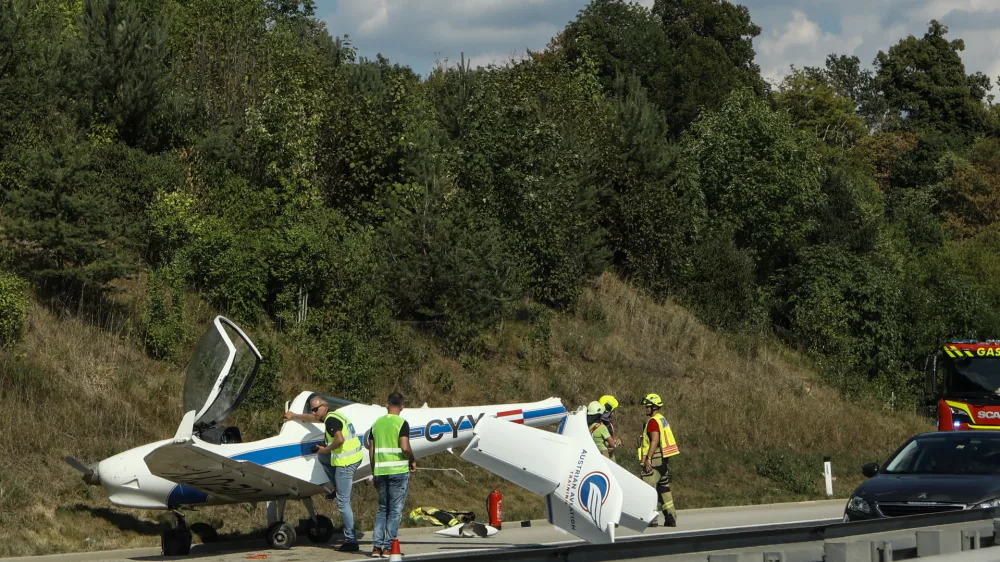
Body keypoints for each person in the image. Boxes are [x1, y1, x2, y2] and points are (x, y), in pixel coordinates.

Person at [283, 396, 363, 551]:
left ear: (324, 407)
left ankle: (351, 541)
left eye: (316, 409)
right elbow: (312, 419)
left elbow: (339, 440)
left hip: (346, 463)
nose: (314, 412)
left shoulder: (331, 421)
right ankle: (337, 487)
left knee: (343, 502)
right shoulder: (333, 416)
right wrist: (294, 416)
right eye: (312, 409)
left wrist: (326, 448)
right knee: (323, 457)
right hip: (353, 457)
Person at [368, 392, 417, 558]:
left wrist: (374, 472)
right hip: (398, 471)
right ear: (402, 406)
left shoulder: (376, 424)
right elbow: (404, 447)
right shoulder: (402, 423)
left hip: (381, 471)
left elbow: (372, 451)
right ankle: (388, 547)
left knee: (382, 509)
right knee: (395, 510)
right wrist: (412, 459)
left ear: (386, 404)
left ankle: (376, 547)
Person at [637, 393, 680, 527]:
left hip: (654, 459)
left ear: (654, 407)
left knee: (648, 488)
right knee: (664, 488)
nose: (646, 409)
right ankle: (670, 517)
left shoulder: (653, 422)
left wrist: (648, 458)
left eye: (648, 406)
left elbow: (654, 440)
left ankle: (652, 518)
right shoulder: (662, 419)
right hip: (663, 459)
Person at [598, 394, 623, 460]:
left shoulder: (608, 422)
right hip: (602, 459)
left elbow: (611, 436)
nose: (614, 412)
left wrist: (616, 441)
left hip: (610, 457)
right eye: (613, 410)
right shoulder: (598, 424)